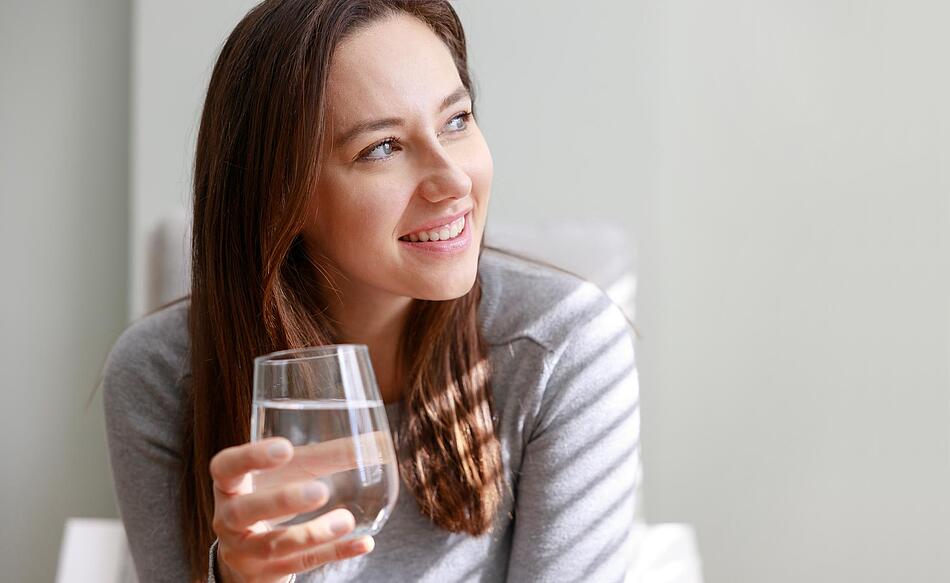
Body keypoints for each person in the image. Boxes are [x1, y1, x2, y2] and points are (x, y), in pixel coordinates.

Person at [101, 1, 640, 582]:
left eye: (456, 120)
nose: (453, 180)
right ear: (281, 195)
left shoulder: (562, 344)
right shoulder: (161, 374)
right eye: (382, 147)